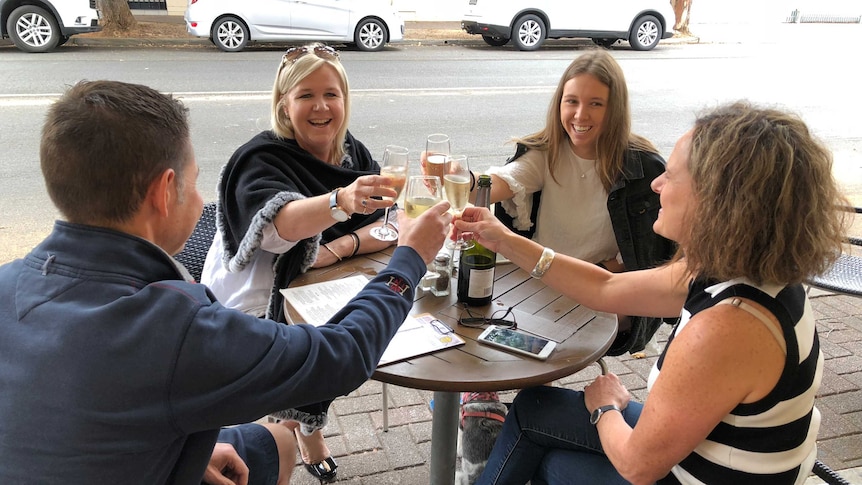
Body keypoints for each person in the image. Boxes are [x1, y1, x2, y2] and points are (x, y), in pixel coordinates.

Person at [0, 79, 452, 484]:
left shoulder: (8, 283)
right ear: (163, 192)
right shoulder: (176, 326)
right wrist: (409, 259)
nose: (201, 203)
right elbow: (344, 355)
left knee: (268, 442)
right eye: (196, 185)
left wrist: (190, 456)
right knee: (280, 435)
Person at [455, 101, 849, 484]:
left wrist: (604, 407)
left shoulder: (729, 325)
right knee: (532, 408)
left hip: (679, 473)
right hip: (704, 450)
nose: (657, 183)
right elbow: (605, 287)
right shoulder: (740, 267)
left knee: (547, 458)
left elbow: (636, 467)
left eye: (672, 176)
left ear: (718, 203)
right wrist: (504, 239)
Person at [200, 43, 397, 482]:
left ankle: (300, 426)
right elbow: (275, 228)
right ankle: (289, 431)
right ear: (284, 104)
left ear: (345, 100)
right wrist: (339, 202)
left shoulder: (354, 157)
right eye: (306, 94)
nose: (321, 106)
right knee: (333, 347)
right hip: (251, 299)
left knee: (355, 331)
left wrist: (338, 248)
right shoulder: (262, 158)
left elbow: (389, 225)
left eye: (332, 93)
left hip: (319, 282)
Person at [426, 49, 675, 356]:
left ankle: (526, 392)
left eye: (595, 103)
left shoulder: (644, 170)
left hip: (602, 290)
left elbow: (652, 260)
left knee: (525, 333)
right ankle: (484, 391)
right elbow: (505, 180)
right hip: (538, 279)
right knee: (466, 308)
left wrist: (599, 271)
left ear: (615, 110)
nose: (580, 115)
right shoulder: (547, 153)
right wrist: (465, 178)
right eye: (572, 101)